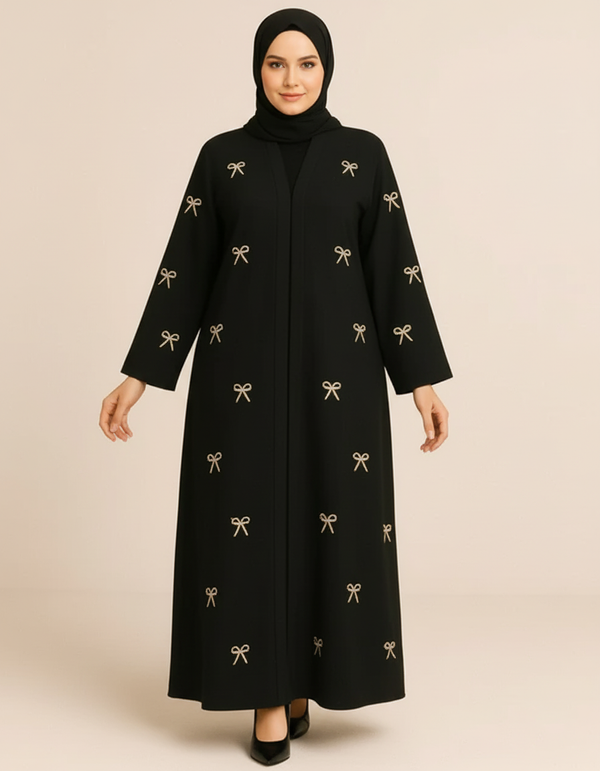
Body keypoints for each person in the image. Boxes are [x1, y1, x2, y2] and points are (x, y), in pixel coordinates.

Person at [99, 8, 452, 765]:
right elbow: (185, 269)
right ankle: (267, 696)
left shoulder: (363, 155)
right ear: (257, 70)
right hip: (240, 383)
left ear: (327, 69)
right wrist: (139, 375)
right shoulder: (222, 158)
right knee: (248, 527)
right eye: (276, 64)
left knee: (333, 524)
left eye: (307, 64)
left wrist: (420, 380)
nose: (292, 79)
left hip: (340, 379)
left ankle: (302, 682)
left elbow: (395, 270)